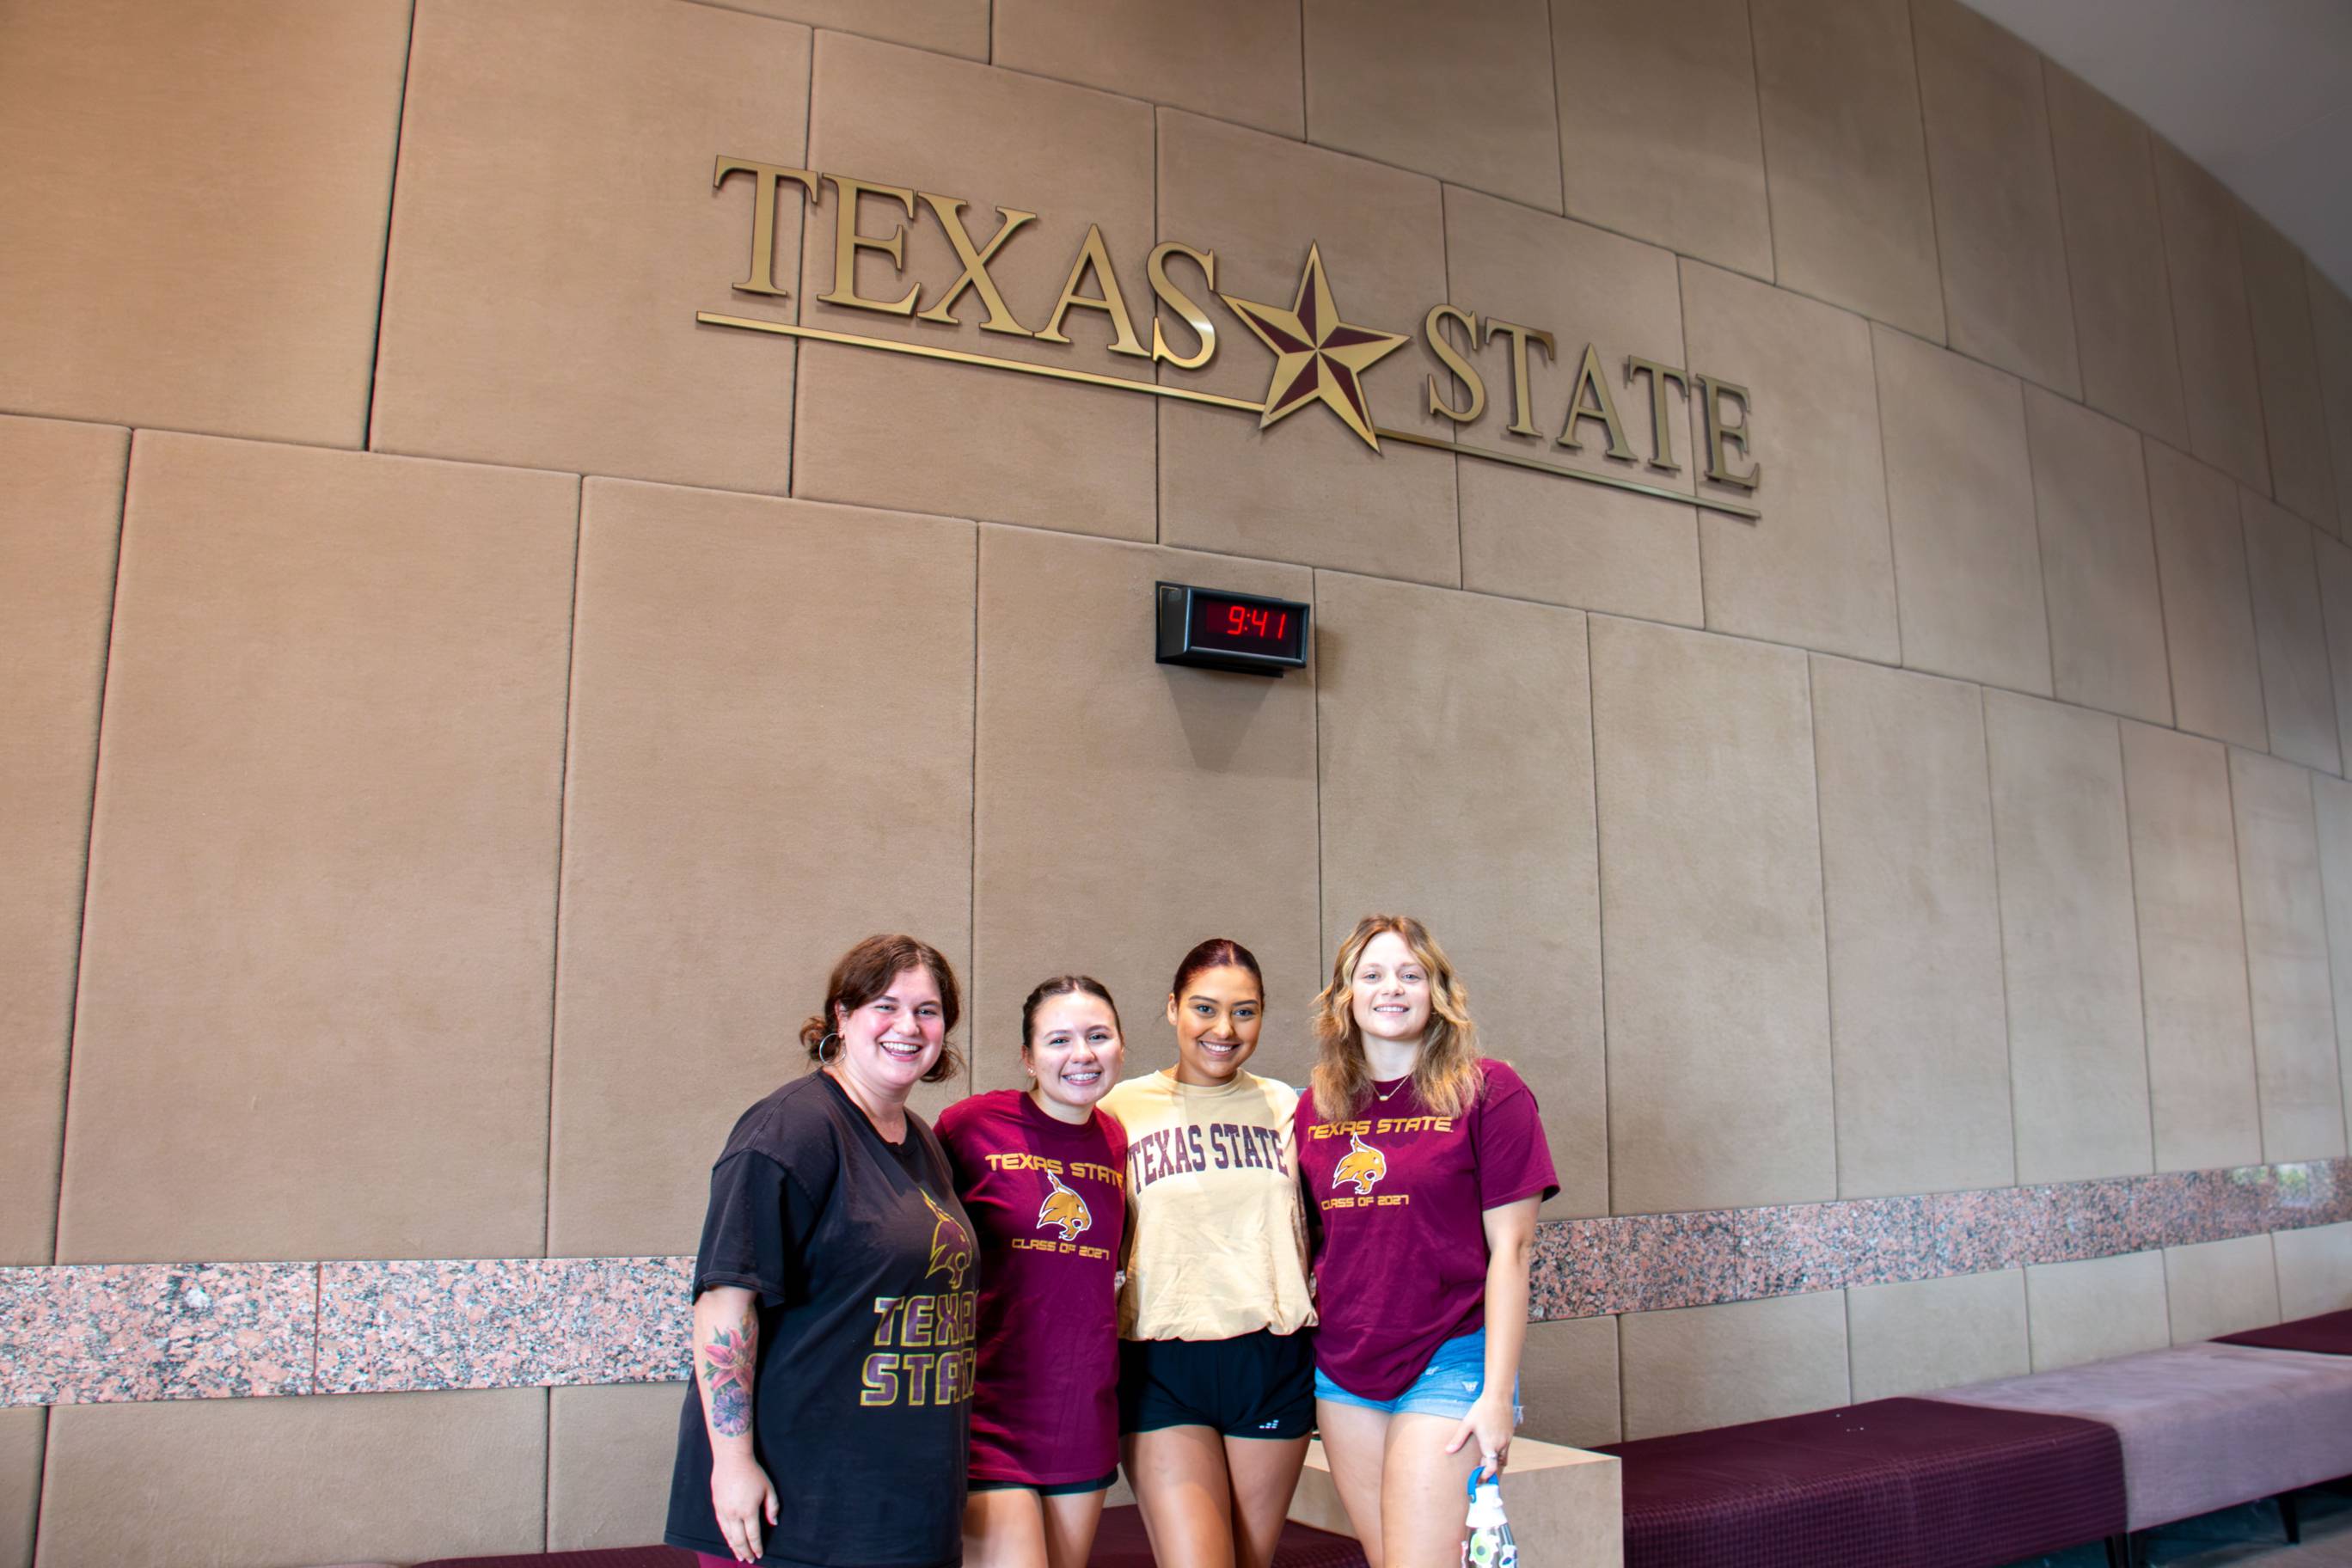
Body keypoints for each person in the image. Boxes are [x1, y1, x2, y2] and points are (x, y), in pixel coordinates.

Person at [665, 934, 978, 1568]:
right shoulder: (790, 1129)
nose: (908, 1027)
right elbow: (725, 1305)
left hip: (900, 1505)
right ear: (842, 1016)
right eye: (885, 1006)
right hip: (798, 1509)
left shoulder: (919, 1139)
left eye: (928, 1010)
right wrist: (732, 1466)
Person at [1295, 915, 1557, 1568]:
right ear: (1345, 995)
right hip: (1346, 1370)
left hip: (1450, 1358)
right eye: (1373, 974)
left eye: (1411, 975)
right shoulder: (1316, 1107)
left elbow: (1513, 1252)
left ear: (1436, 991)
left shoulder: (1489, 1091)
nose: (1393, 988)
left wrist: (1497, 1396)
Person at [1099, 938, 1316, 1568]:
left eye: (1244, 1012)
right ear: (1172, 1009)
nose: (1224, 1029)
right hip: (1161, 1365)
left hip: (1272, 1361)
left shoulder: (1287, 1107)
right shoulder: (1118, 1110)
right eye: (1204, 1008)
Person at [937, 977, 1130, 1568]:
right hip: (990, 1414)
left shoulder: (1118, 1140)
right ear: (1027, 1056)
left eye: (1098, 1036)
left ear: (1121, 1046)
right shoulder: (969, 1127)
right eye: (1058, 1040)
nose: (1082, 1055)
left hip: (1081, 1418)